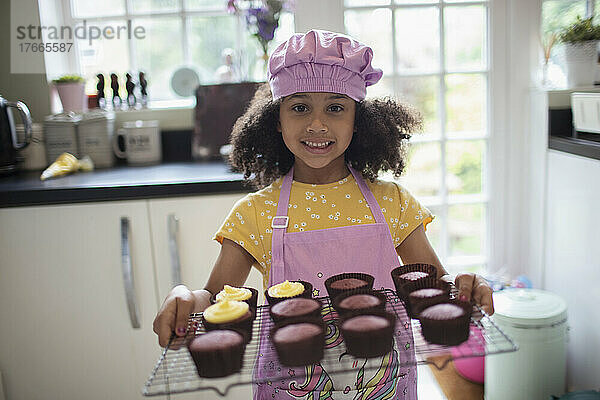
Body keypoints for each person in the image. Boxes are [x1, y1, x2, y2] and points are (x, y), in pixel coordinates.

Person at [153, 29, 494, 399]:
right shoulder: (254, 212)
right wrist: (186, 297)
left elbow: (434, 286)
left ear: (356, 120)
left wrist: (463, 285)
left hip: (385, 384)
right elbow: (218, 300)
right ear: (277, 119)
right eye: (299, 107)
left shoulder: (392, 201)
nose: (317, 124)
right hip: (290, 385)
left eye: (335, 107)